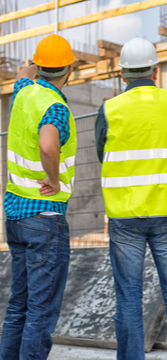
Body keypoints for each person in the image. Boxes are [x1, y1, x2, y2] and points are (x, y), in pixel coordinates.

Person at [95, 37, 167, 360]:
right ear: (156, 69)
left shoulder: (110, 108)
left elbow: (103, 153)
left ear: (122, 74)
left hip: (125, 216)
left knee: (129, 298)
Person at [0, 34, 77, 360]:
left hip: (16, 216)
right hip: (44, 216)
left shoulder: (24, 92)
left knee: (19, 303)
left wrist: (33, 67)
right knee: (41, 310)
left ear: (39, 66)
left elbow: (22, 75)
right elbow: (48, 145)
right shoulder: (54, 106)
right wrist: (54, 178)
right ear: (70, 70)